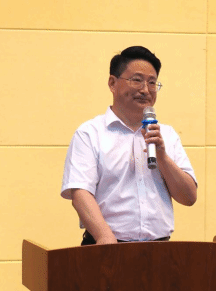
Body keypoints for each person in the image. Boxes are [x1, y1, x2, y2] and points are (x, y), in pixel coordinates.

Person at [61, 46, 197, 245]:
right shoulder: (90, 133)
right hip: (107, 246)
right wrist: (105, 237)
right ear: (112, 83)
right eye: (137, 80)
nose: (145, 90)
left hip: (160, 249)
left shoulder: (167, 135)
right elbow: (80, 193)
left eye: (152, 83)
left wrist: (162, 157)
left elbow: (189, 197)